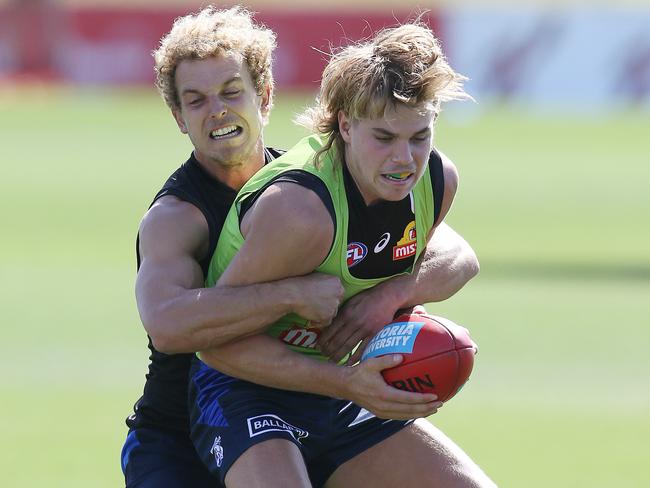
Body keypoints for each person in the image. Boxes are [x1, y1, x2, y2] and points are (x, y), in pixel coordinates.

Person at [121, 6, 480, 488]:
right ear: (178, 116)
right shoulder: (185, 216)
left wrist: (387, 295)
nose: (219, 111)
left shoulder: (331, 176)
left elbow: (456, 254)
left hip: (318, 391)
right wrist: (292, 294)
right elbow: (170, 328)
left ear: (264, 96)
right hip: (186, 427)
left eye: (231, 92)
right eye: (197, 100)